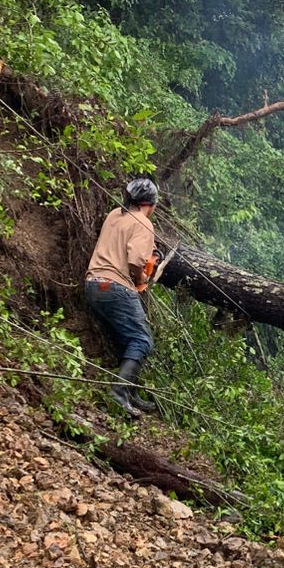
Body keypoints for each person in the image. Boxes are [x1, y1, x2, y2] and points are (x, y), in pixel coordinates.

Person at [85, 177, 160, 417]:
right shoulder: (143, 223)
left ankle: (129, 391)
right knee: (142, 340)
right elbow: (135, 262)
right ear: (151, 204)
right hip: (114, 285)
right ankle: (118, 394)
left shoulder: (114, 215)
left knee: (126, 338)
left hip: (93, 283)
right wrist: (142, 279)